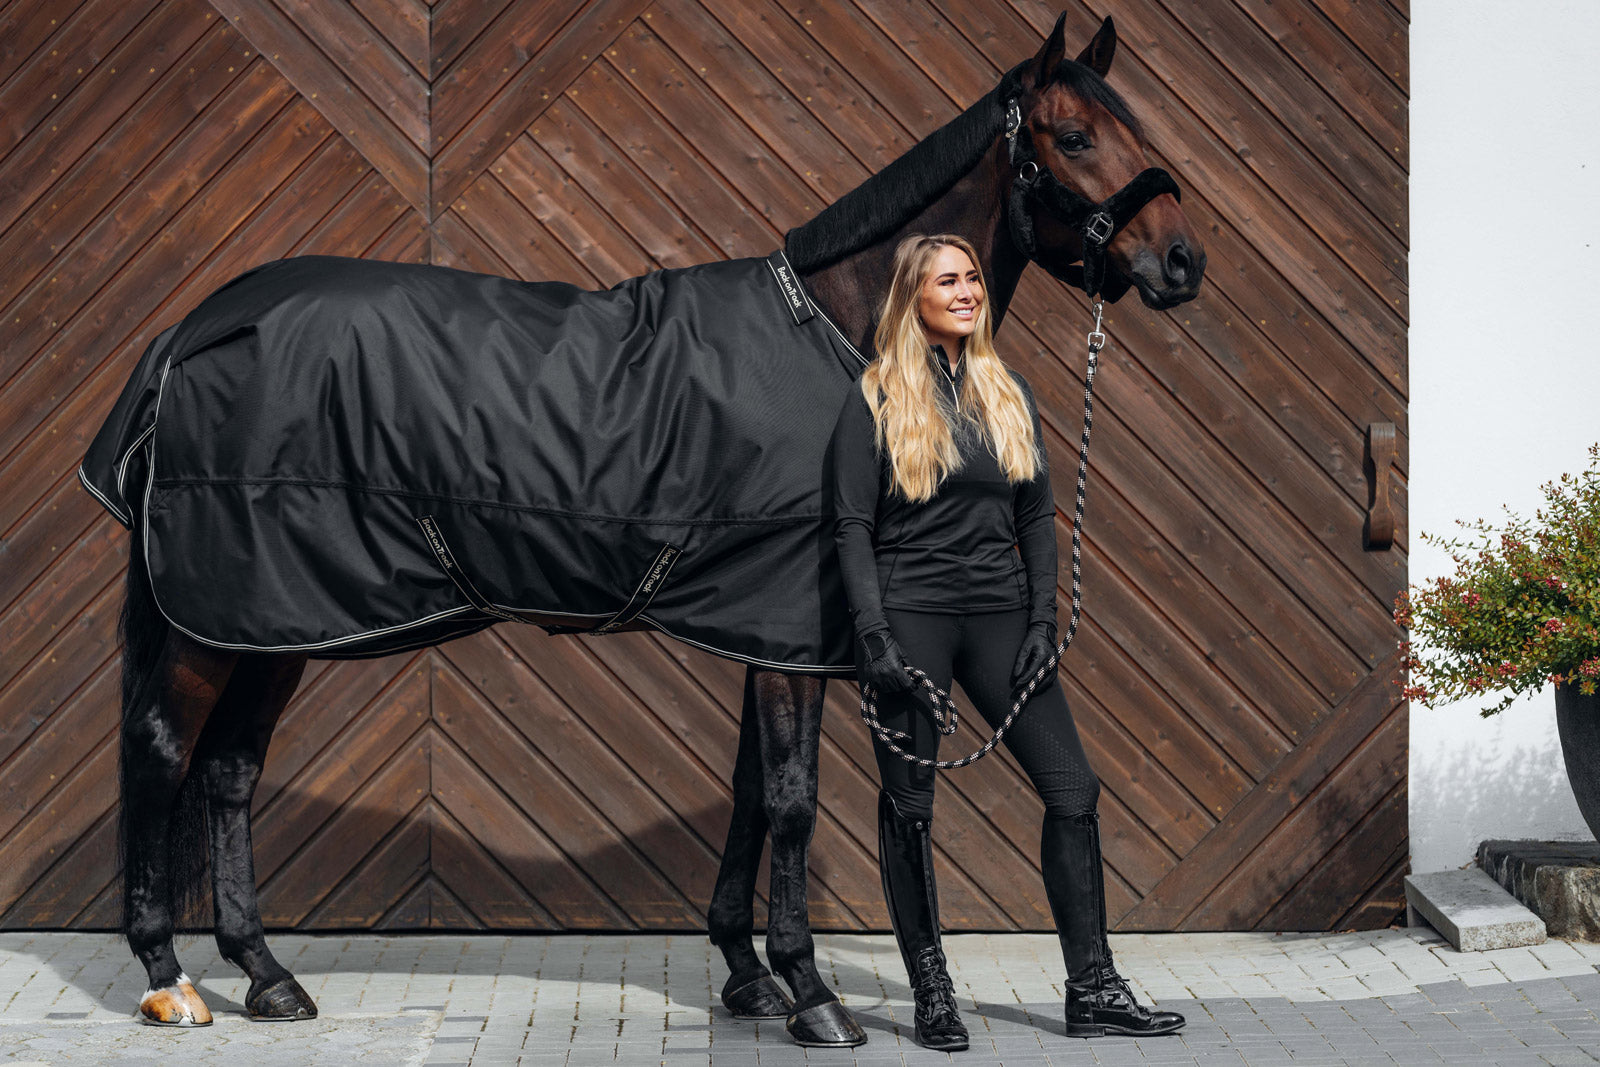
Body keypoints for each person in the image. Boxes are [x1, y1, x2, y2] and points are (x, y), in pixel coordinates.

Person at [829, 233, 1185, 1050]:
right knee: (911, 806)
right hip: (911, 615)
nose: (967, 291)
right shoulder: (875, 396)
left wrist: (1040, 621)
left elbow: (1034, 515)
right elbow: (850, 526)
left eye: (973, 278)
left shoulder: (1007, 389)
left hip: (998, 616)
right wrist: (873, 635)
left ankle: (1093, 988)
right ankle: (932, 993)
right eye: (948, 281)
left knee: (1074, 789)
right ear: (913, 298)